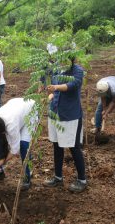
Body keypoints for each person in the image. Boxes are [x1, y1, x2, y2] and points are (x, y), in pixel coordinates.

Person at [44, 55, 87, 193]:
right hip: (55, 113)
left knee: (74, 147)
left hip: (70, 115)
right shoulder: (56, 69)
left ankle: (82, 180)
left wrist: (56, 87)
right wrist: (50, 94)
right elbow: (45, 79)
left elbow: (73, 85)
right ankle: (58, 177)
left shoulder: (77, 70)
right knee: (56, 145)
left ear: (71, 58)